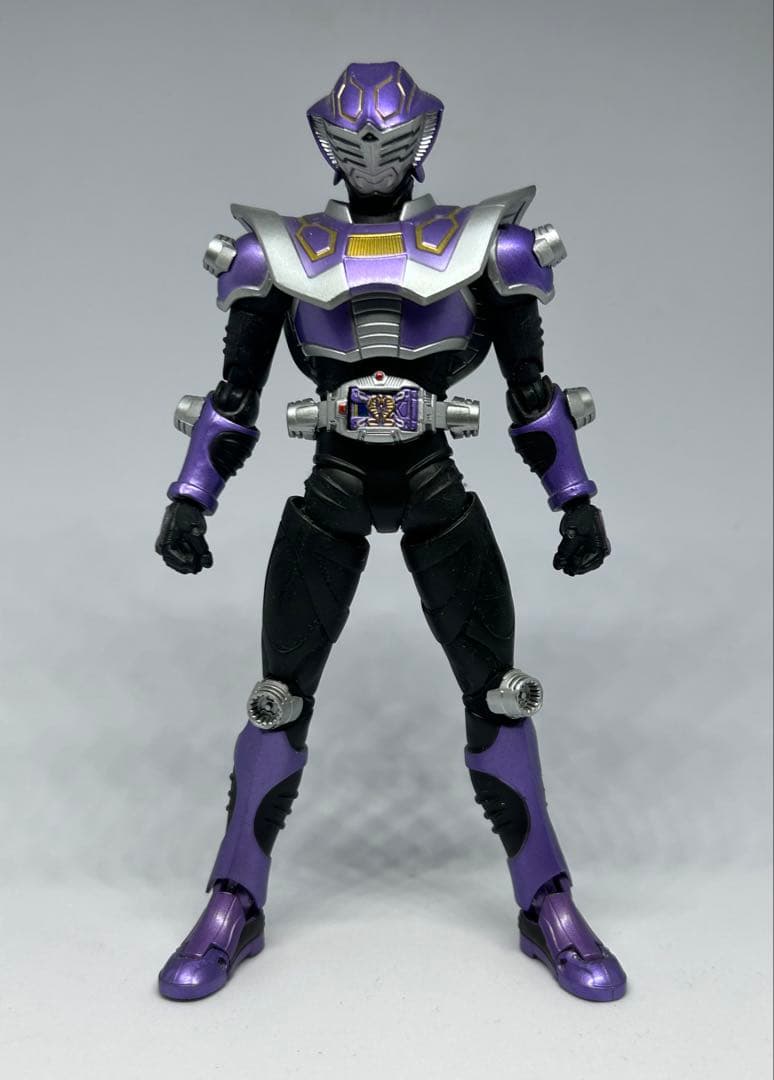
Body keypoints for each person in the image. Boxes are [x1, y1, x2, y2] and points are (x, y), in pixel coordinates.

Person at [155, 61, 626, 1003]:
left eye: (390, 140)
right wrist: (192, 496)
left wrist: (573, 497)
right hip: (332, 482)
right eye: (355, 141)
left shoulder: (487, 246)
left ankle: (548, 901)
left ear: (422, 138)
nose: (372, 155)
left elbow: (531, 391)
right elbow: (235, 396)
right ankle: (234, 901)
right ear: (327, 141)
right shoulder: (280, 252)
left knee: (499, 694)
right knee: (277, 698)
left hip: (432, 480)